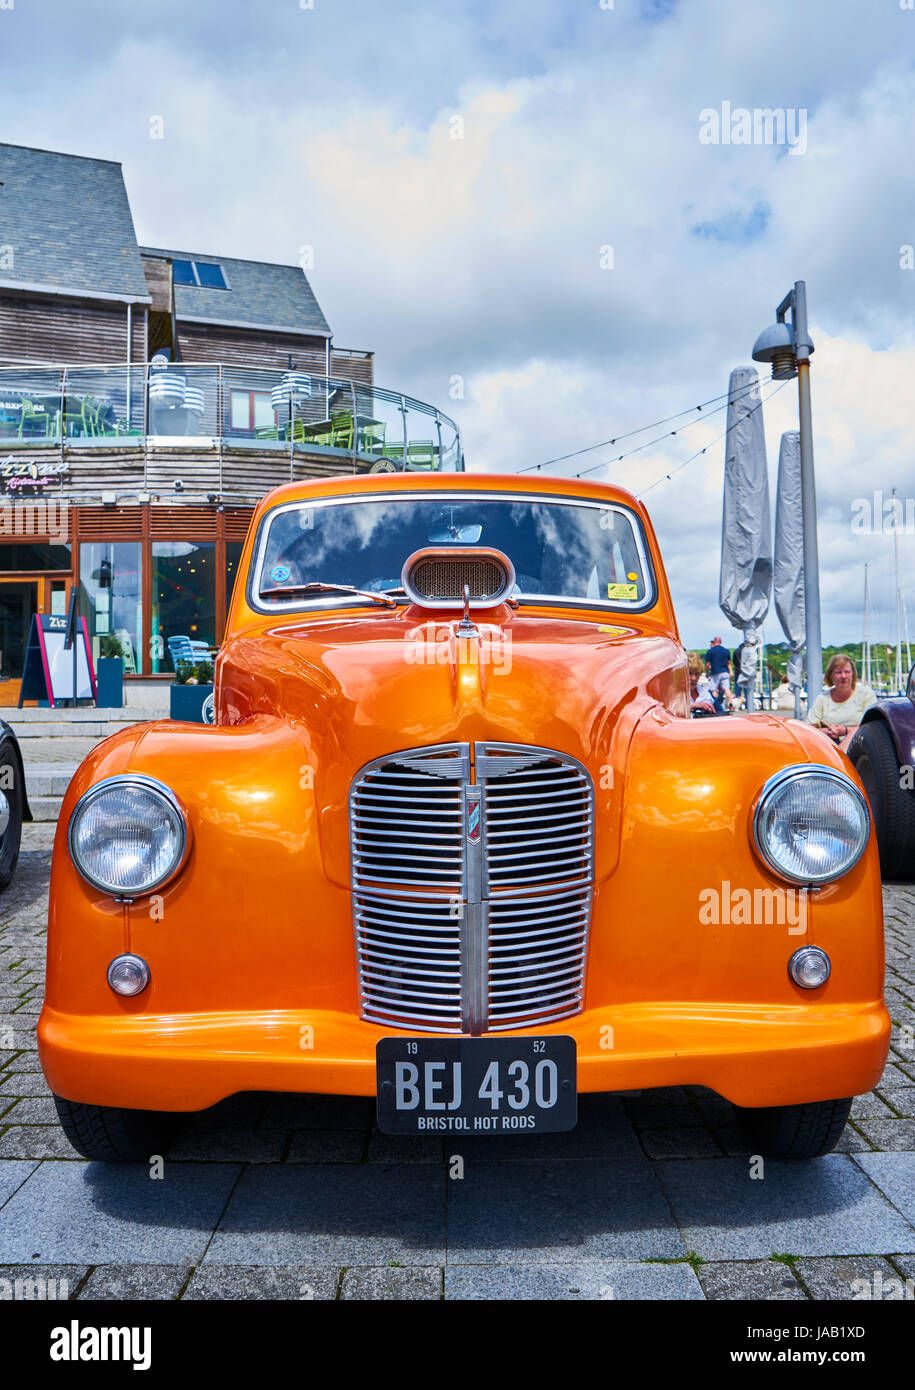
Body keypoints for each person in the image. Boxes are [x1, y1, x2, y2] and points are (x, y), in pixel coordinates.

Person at [807, 654, 877, 751]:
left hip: (860, 745)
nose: (843, 676)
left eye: (847, 672)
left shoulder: (866, 695)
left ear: (853, 674)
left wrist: (845, 730)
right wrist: (828, 731)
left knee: (855, 731)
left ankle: (840, 760)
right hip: (828, 744)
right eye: (838, 672)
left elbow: (872, 726)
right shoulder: (822, 699)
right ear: (831, 675)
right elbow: (808, 729)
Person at [704, 636, 733, 709]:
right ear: (721, 642)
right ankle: (730, 704)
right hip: (725, 672)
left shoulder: (711, 651)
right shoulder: (726, 651)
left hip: (715, 672)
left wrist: (707, 673)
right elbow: (728, 663)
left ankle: (715, 704)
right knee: (727, 689)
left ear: (714, 642)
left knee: (713, 689)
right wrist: (731, 672)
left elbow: (707, 664)